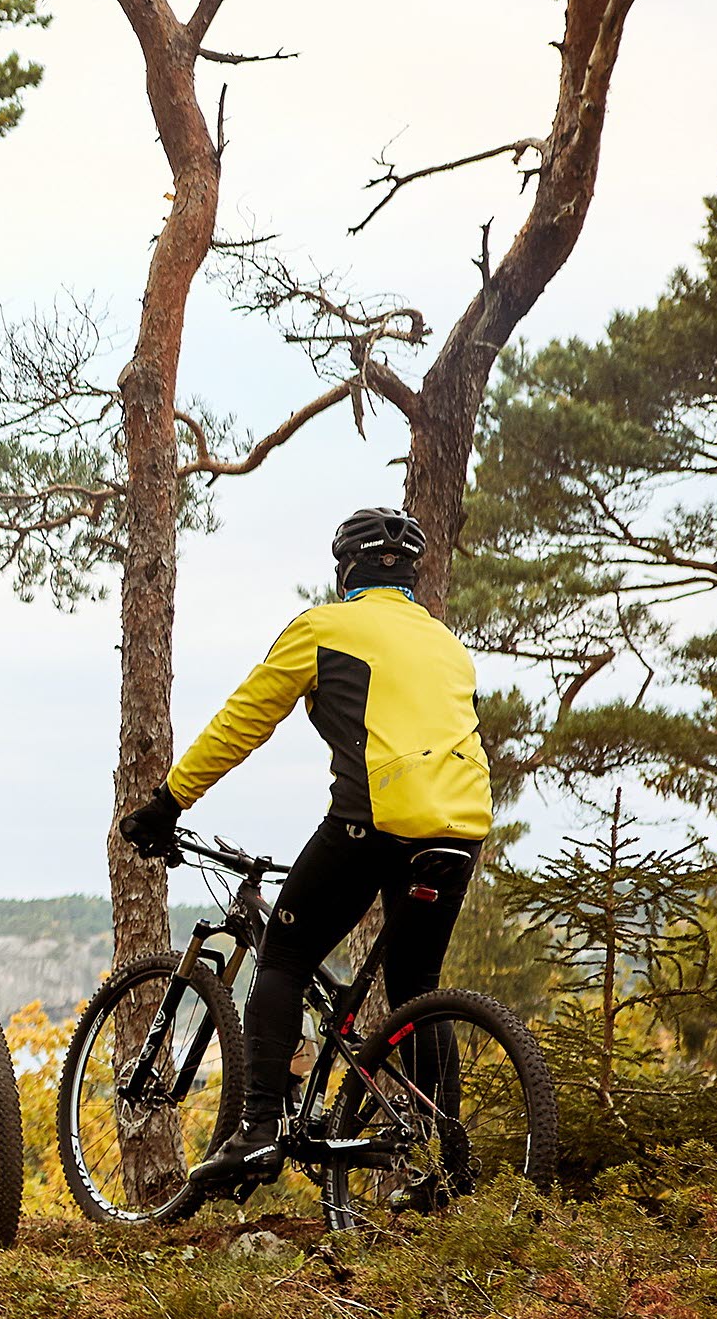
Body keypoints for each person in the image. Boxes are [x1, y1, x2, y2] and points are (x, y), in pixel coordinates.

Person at [118, 507, 492, 1195]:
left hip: (374, 819)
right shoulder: (447, 643)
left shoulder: (322, 627)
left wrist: (168, 801)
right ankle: (450, 1168)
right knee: (418, 991)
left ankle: (255, 1133)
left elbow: (243, 720)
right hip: (461, 825)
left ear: (344, 569)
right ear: (411, 575)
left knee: (286, 954)